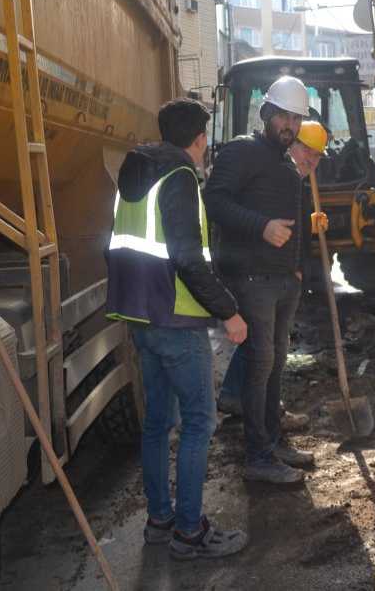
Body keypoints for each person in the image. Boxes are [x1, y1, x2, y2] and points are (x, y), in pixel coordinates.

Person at [105, 98, 248, 559]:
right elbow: (188, 257)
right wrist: (228, 311)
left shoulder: (134, 173)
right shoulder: (180, 177)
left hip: (139, 316)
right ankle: (190, 532)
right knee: (199, 422)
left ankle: (160, 520)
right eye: (206, 138)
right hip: (175, 319)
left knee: (157, 424)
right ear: (199, 138)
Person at [204, 77, 319, 484]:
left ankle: (272, 441)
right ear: (266, 114)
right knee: (261, 363)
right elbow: (214, 202)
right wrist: (261, 227)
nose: (289, 124)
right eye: (283, 116)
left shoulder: (287, 163)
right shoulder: (241, 151)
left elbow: (293, 217)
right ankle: (258, 456)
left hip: (282, 278)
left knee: (276, 363)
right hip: (251, 276)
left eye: (296, 118)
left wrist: (298, 263)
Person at [217, 121, 330, 430]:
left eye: (317, 155)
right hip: (257, 276)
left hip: (278, 276)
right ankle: (260, 425)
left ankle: (242, 401)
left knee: (262, 346)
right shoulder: (274, 175)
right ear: (290, 145)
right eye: (306, 151)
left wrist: (307, 225)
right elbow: (258, 221)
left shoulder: (295, 180)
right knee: (262, 349)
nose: (312, 160)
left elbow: (289, 226)